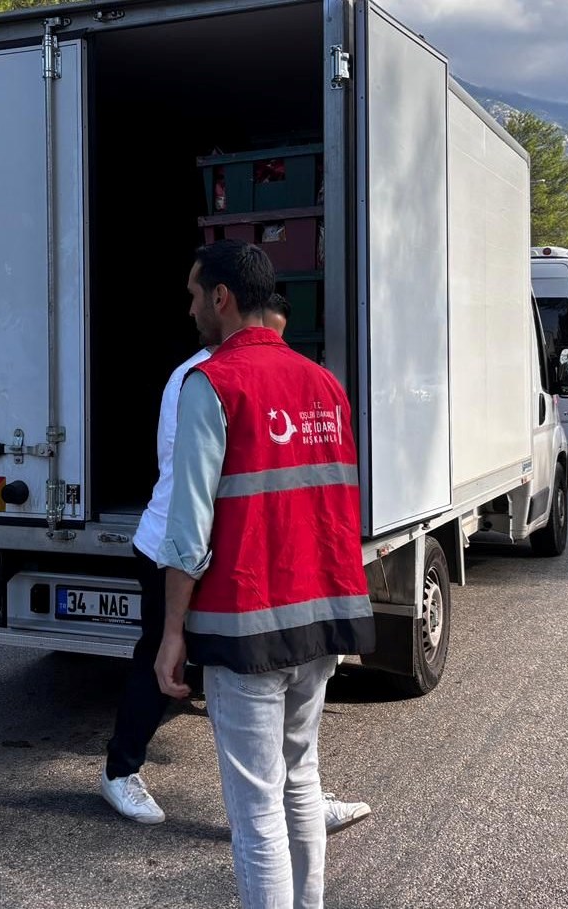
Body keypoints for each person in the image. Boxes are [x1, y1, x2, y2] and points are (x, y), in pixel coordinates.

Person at [155, 241, 375, 909]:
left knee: (255, 814)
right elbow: (335, 506)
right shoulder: (324, 384)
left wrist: (172, 632)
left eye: (196, 294)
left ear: (222, 298)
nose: (191, 307)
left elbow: (189, 532)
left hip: (245, 622)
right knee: (301, 780)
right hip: (319, 616)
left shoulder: (212, 382)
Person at [101, 296, 372, 836]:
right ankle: (120, 771)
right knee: (162, 663)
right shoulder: (201, 381)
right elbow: (193, 494)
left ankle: (301, 794)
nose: (278, 346)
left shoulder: (275, 379)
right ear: (247, 317)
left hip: (224, 551)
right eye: (272, 332)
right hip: (174, 548)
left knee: (275, 684)